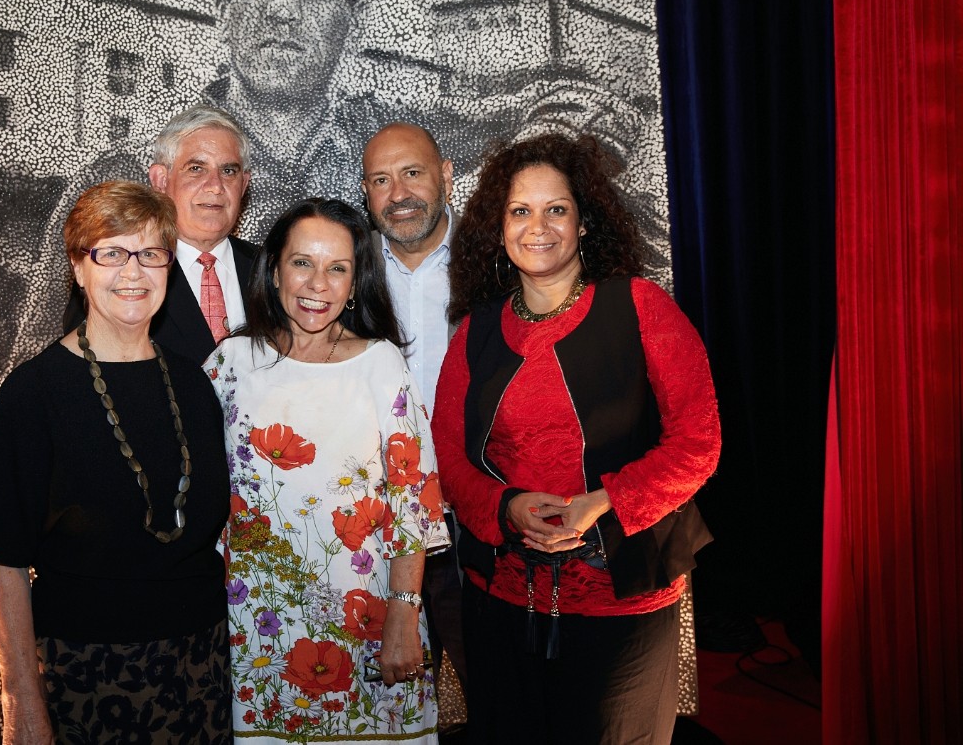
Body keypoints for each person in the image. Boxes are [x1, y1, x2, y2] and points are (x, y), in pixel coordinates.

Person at [432, 134, 720, 745]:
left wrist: (602, 502)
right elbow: (449, 455)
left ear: (585, 222)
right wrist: (505, 508)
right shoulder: (476, 331)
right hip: (502, 600)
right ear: (498, 227)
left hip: (623, 606)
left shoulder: (641, 307)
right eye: (520, 211)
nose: (538, 226)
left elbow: (698, 441)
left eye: (556, 209)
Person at [0, 182, 233, 744]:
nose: (133, 271)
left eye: (150, 253)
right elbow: (4, 564)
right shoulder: (33, 395)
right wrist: (21, 697)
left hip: (203, 665)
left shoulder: (193, 382)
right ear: (78, 266)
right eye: (111, 252)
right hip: (86, 674)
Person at [205, 198, 449, 742]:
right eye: (302, 263)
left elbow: (414, 504)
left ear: (355, 282)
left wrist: (404, 620)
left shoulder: (381, 363)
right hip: (259, 631)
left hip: (370, 624)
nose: (318, 283)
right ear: (273, 270)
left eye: (337, 268)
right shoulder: (230, 363)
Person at [206, 0, 391, 241]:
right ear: (222, 11)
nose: (283, 10)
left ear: (354, 21)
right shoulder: (144, 172)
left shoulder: (382, 181)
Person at [361, 123, 468, 714]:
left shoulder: (496, 259)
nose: (398, 193)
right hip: (378, 536)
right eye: (380, 179)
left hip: (477, 528)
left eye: (412, 173)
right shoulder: (345, 273)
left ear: (446, 174)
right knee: (385, 707)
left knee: (505, 698)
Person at [51, 105, 257, 368]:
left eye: (229, 171)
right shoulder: (122, 272)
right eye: (196, 168)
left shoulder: (273, 270)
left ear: (244, 185)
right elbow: (84, 370)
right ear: (161, 180)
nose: (216, 186)